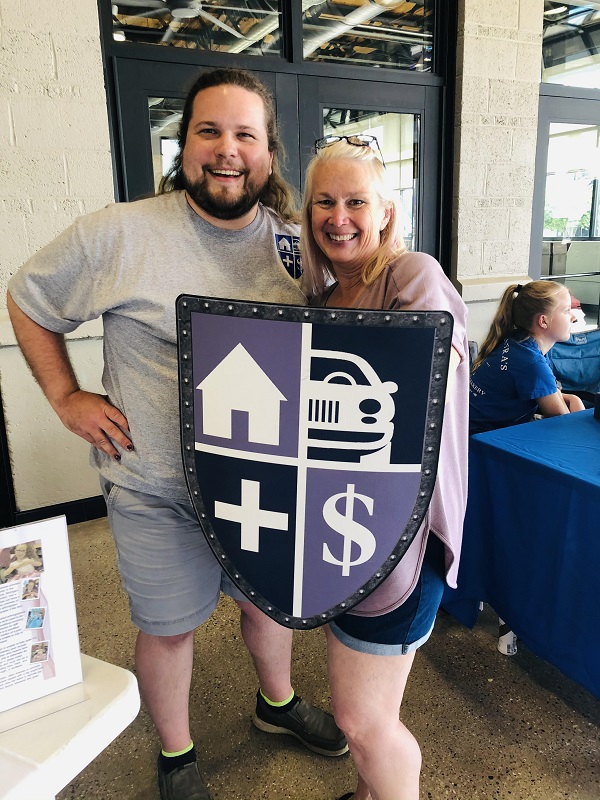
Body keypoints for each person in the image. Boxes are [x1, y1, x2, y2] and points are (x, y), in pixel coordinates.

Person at [7, 67, 346, 800]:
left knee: (268, 604)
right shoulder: (119, 231)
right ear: (183, 142)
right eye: (209, 131)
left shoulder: (295, 244)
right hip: (156, 485)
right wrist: (64, 395)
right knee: (168, 627)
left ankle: (276, 704)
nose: (228, 150)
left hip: (263, 484)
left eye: (245, 135)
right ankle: (175, 752)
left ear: (269, 151)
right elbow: (28, 298)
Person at [300, 136, 469, 800]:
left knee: (361, 721)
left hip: (402, 541)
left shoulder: (412, 276)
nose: (339, 218)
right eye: (324, 202)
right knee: (368, 708)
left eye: (355, 201)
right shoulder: (321, 298)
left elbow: (424, 390)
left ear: (385, 212)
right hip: (343, 534)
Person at [469, 280, 585, 435]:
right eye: (566, 311)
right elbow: (564, 425)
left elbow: (550, 393)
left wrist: (574, 399)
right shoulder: (531, 362)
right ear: (543, 321)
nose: (573, 317)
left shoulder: (520, 342)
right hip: (480, 443)